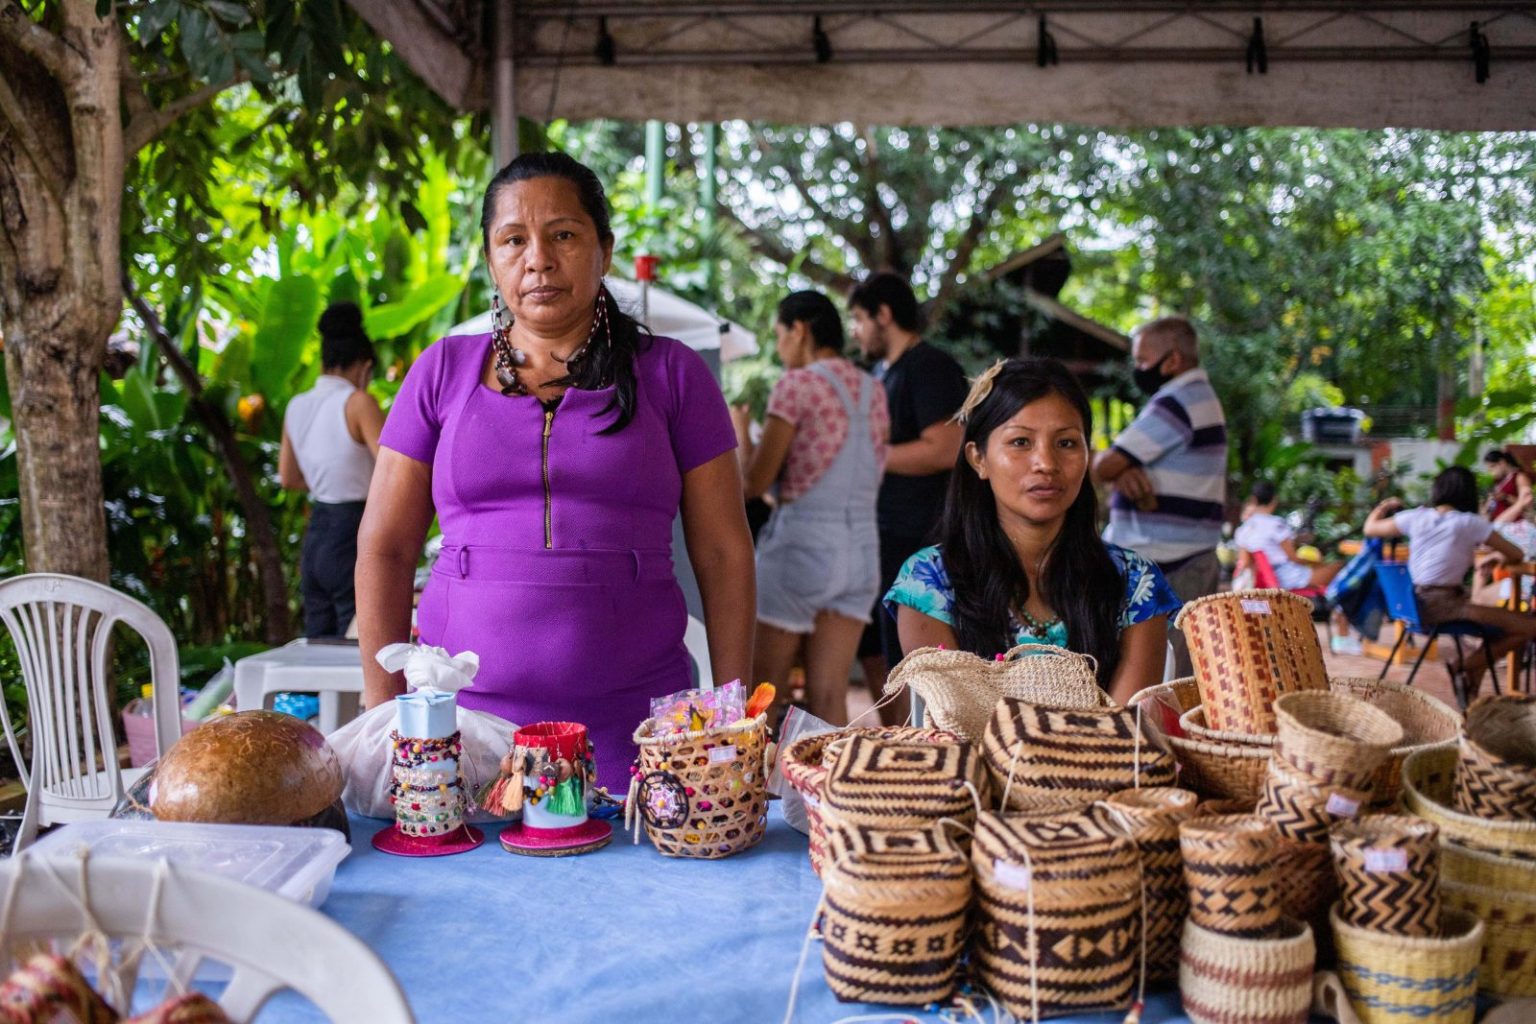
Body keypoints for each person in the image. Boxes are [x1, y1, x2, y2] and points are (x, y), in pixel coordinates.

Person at [356, 152, 755, 789]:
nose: (537, 258)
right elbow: (386, 544)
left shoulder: (674, 374)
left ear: (605, 248)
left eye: (563, 235)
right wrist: (386, 715)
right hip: (461, 735)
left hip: (636, 730)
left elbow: (723, 550)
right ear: (491, 259)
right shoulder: (440, 371)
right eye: (513, 240)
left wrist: (733, 716)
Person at [886, 358, 1181, 707]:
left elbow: (1124, 732)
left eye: (1067, 443)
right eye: (1021, 442)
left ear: (1088, 454)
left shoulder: (1136, 584)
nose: (1046, 463)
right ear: (978, 458)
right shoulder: (927, 583)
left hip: (1105, 760)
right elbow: (959, 725)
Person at [732, 291, 889, 725]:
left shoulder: (797, 385)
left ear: (799, 330)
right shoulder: (872, 389)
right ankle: (826, 791)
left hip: (802, 547)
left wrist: (741, 431)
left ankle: (756, 793)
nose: (780, 348)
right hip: (861, 549)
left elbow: (754, 483)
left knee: (763, 694)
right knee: (828, 696)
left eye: (780, 335)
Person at [848, 272, 968, 724]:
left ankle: (926, 744)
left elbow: (945, 447)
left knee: (922, 661)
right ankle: (897, 741)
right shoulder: (882, 374)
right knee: (877, 645)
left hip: (923, 534)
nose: (855, 331)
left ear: (884, 314)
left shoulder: (928, 365)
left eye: (859, 318)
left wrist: (865, 457)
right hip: (883, 534)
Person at [1092, 315, 1226, 676]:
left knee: (1171, 674)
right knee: (1173, 666)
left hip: (1174, 560)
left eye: (1141, 360)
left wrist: (1117, 468)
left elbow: (1104, 465)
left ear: (1173, 360)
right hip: (1177, 556)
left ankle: (1159, 732)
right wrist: (1123, 470)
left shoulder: (1178, 402)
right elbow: (1117, 465)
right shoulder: (1193, 398)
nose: (1137, 369)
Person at [1364, 466, 1536, 696]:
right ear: (1469, 494)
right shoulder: (1469, 522)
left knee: (1498, 624)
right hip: (1443, 606)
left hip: (1413, 604)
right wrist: (1497, 556)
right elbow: (1516, 554)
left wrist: (1385, 506)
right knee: (1529, 626)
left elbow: (1370, 528)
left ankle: (1473, 677)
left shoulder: (1416, 516)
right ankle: (1465, 667)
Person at [279, 302, 383, 638]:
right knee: (356, 646)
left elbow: (289, 478)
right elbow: (395, 468)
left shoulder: (297, 406)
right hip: (353, 531)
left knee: (317, 648)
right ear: (364, 367)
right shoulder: (358, 403)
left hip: (317, 535)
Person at [1233, 480, 1344, 591]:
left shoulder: (1243, 530)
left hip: (1263, 581)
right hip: (1286, 577)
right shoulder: (1276, 524)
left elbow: (1245, 563)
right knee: (1340, 567)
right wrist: (1315, 562)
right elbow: (1293, 558)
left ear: (1254, 499)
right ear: (1274, 500)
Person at [1484, 449, 1533, 524]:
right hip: (1498, 527)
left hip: (1516, 526)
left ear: (1502, 462)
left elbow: (1527, 504)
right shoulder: (1497, 483)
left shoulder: (1519, 477)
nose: (1491, 473)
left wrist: (1506, 497)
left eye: (1492, 467)